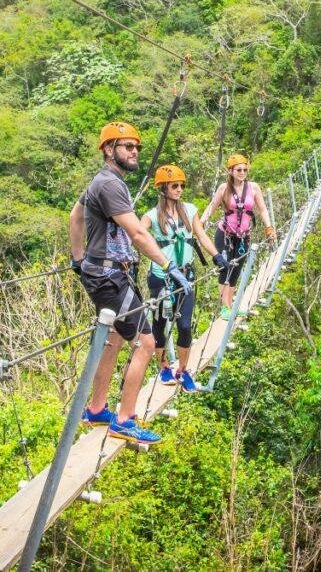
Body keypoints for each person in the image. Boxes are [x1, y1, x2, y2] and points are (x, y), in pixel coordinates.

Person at [69, 121, 193, 445]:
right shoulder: (109, 184)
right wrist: (169, 266)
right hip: (111, 277)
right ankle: (124, 419)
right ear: (109, 150)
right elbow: (138, 233)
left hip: (104, 274)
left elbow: (75, 215)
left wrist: (78, 259)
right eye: (127, 146)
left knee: (113, 338)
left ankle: (96, 408)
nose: (134, 151)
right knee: (147, 343)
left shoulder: (105, 182)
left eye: (136, 147)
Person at [141, 165, 227, 393]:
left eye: (181, 186)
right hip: (161, 277)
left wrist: (216, 255)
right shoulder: (151, 216)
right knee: (159, 325)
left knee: (185, 325)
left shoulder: (189, 210)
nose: (179, 189)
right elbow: (138, 236)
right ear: (162, 188)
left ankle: (183, 370)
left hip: (186, 277)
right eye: (174, 186)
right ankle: (164, 368)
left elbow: (201, 235)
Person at [200, 154, 276, 319]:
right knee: (225, 267)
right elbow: (212, 207)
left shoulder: (253, 188)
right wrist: (201, 222)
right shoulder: (224, 188)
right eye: (239, 170)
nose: (242, 172)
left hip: (243, 236)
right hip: (225, 234)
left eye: (245, 169)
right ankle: (225, 307)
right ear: (231, 171)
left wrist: (269, 227)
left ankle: (230, 304)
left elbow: (262, 209)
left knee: (236, 269)